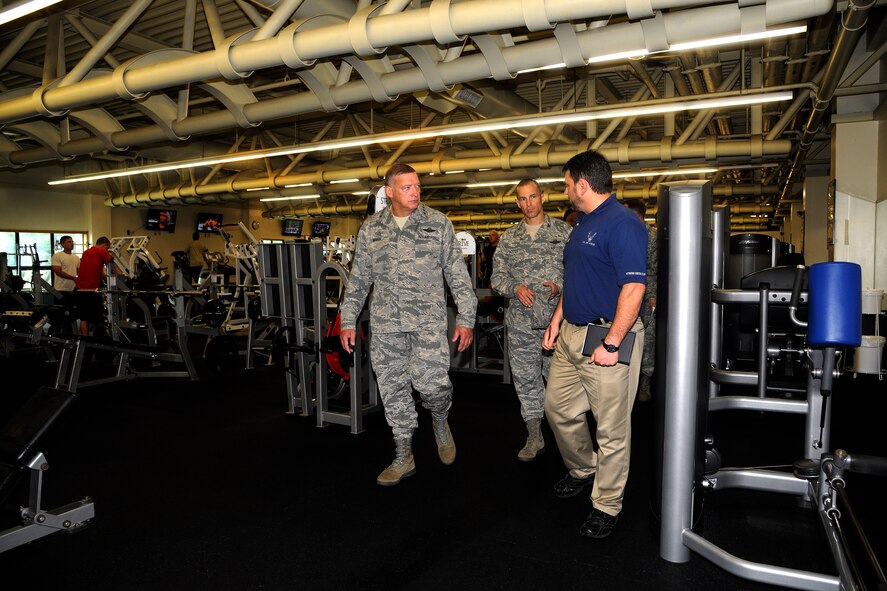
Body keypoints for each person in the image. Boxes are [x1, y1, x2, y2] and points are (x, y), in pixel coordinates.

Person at [339, 163, 477, 486]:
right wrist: (348, 320)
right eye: (407, 187)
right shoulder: (371, 229)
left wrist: (466, 319)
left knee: (434, 386)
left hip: (427, 325)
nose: (415, 192)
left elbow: (458, 276)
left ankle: (440, 417)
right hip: (386, 327)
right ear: (389, 192)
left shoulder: (438, 224)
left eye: (417, 186)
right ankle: (404, 455)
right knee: (393, 391)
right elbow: (359, 280)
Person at [542, 150, 647, 539]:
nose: (565, 191)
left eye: (567, 184)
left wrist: (613, 343)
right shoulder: (583, 223)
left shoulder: (623, 224)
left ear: (582, 185)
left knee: (611, 428)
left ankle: (606, 503)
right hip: (571, 333)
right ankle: (585, 467)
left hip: (606, 334)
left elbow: (634, 288)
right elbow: (575, 279)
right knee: (558, 409)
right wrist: (556, 320)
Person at [491, 179, 572, 461]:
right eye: (523, 199)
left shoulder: (563, 232)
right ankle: (534, 435)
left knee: (559, 382)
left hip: (556, 322)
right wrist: (514, 288)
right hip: (521, 324)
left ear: (543, 197)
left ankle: (565, 435)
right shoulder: (509, 238)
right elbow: (497, 277)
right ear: (517, 202)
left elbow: (578, 271)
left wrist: (560, 287)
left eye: (533, 197)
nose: (529, 204)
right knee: (526, 380)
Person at [623, 199, 658, 401]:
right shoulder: (623, 232)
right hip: (624, 292)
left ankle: (644, 385)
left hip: (647, 295)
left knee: (647, 340)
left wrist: (653, 296)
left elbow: (656, 270)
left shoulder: (651, 237)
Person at [73, 237, 113, 336]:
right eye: (107, 248)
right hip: (91, 291)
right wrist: (119, 277)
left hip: (79, 290)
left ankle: (85, 341)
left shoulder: (86, 252)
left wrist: (106, 279)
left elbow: (98, 270)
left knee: (84, 319)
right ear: (104, 245)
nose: (107, 250)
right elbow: (112, 265)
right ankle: (98, 339)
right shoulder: (101, 251)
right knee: (98, 318)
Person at [51, 235, 80, 301]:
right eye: (69, 242)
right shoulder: (57, 256)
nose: (72, 244)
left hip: (73, 289)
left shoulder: (76, 257)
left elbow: (79, 272)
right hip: (60, 289)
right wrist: (73, 278)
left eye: (72, 242)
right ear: (63, 244)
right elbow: (58, 272)